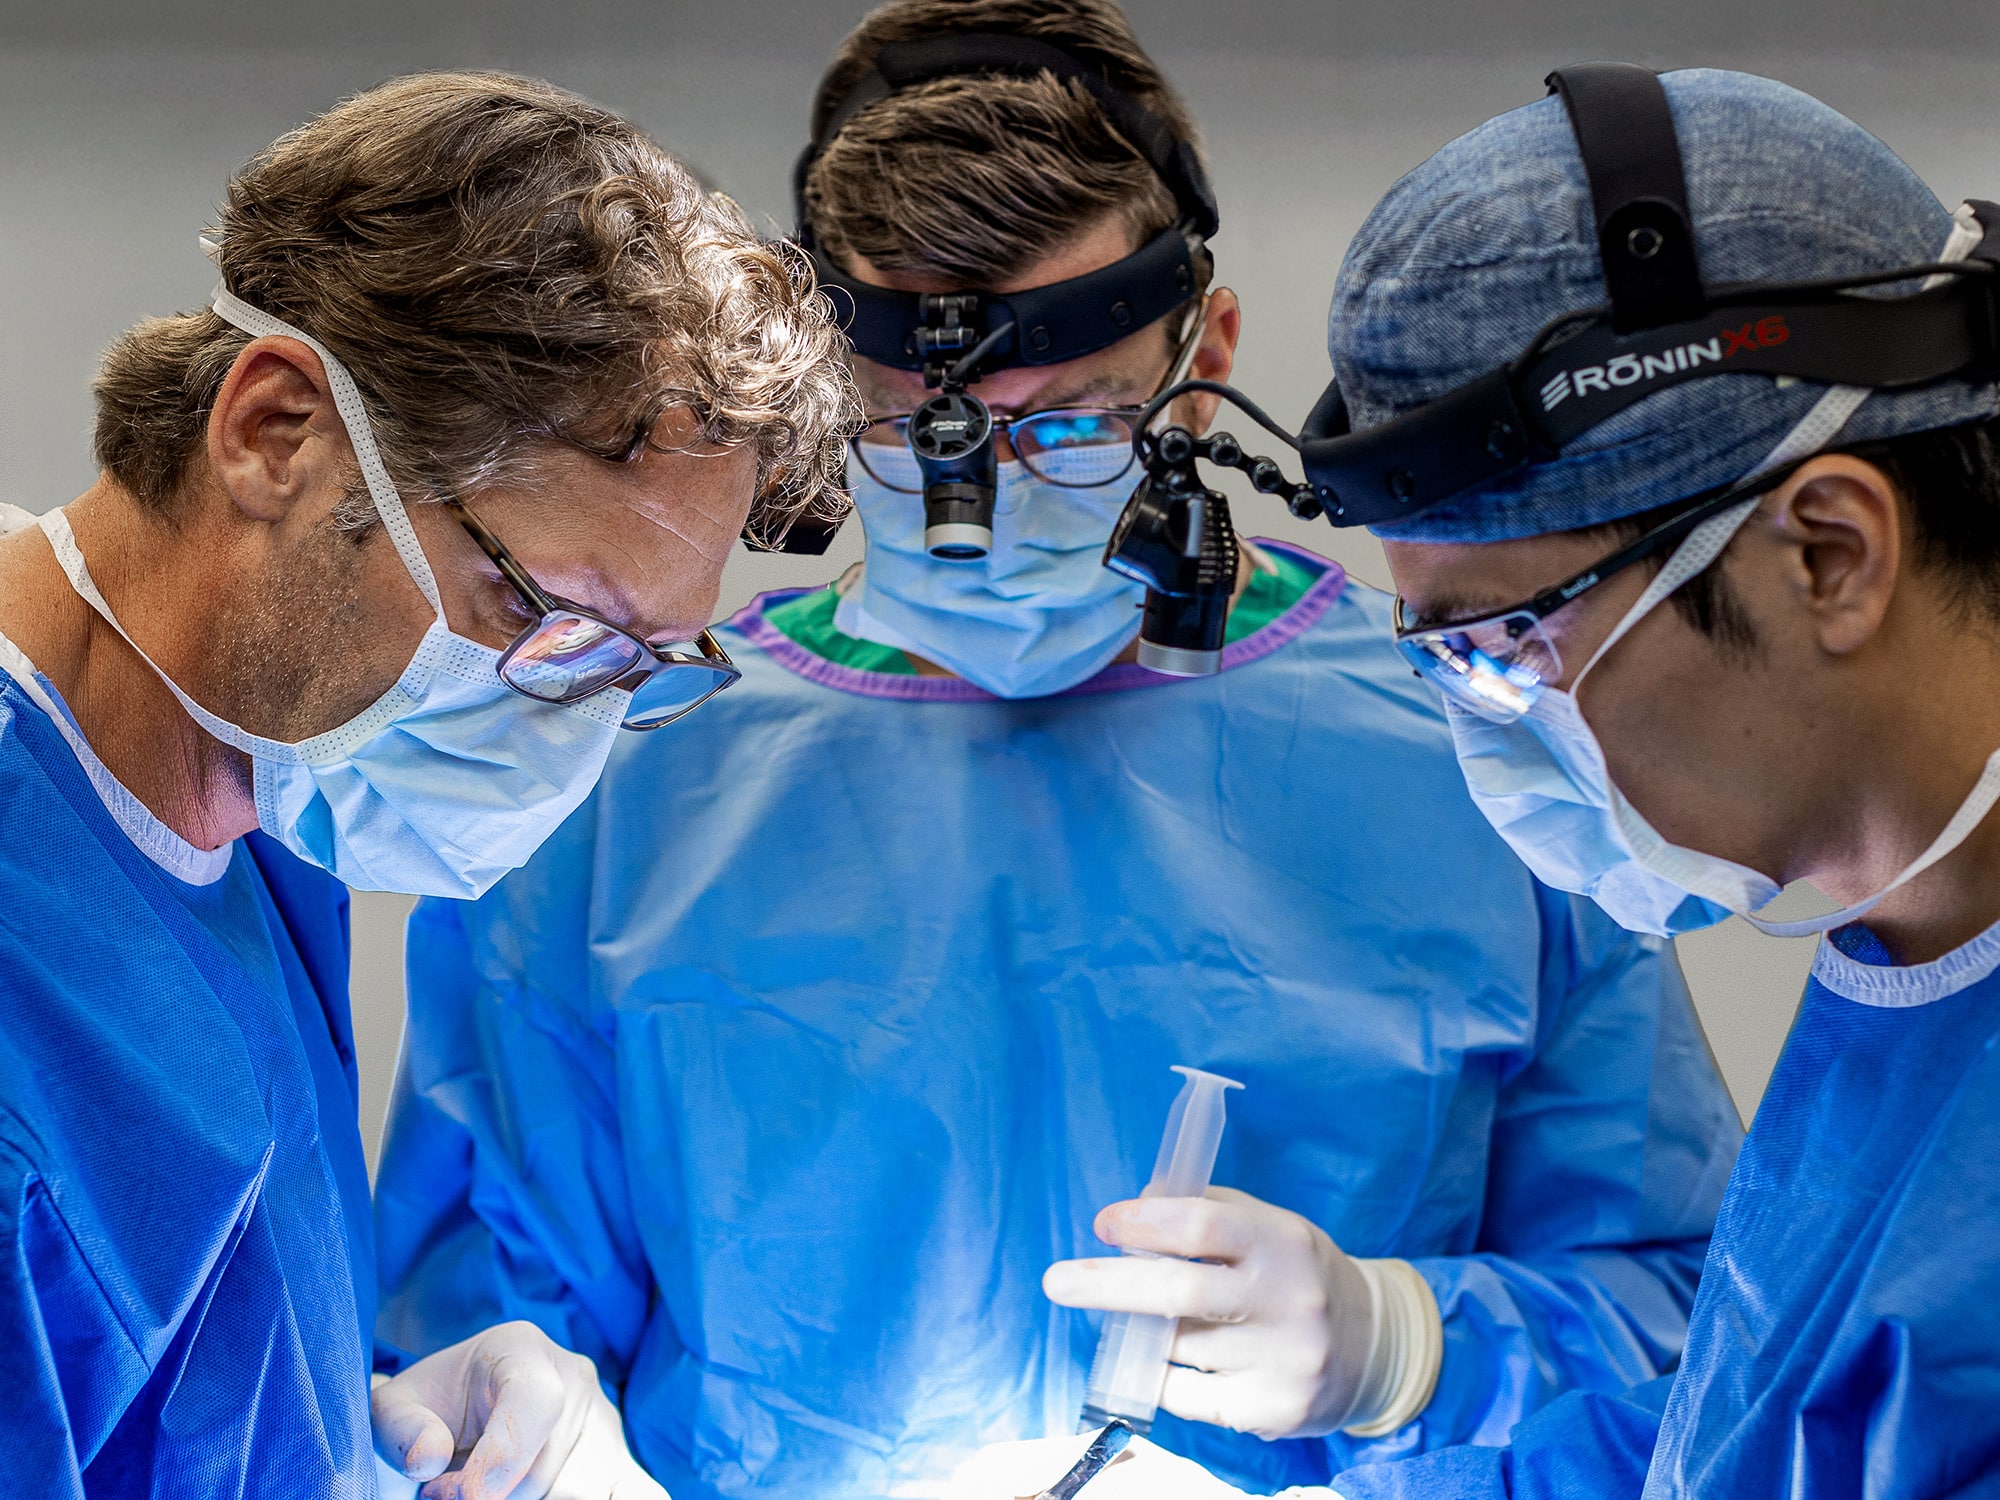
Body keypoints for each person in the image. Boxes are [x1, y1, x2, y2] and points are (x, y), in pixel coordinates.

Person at [372, 10, 1742, 1498]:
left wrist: (1403, 1343)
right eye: (912, 438)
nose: (988, 498)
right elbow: (482, 1352)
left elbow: (1695, 1329)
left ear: (1204, 353)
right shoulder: (618, 780)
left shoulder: (1478, 726)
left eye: (1076, 427)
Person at [952, 63, 2000, 1500]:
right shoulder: (1904, 959)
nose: (1486, 728)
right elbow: (1751, 1439)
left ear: (1828, 553)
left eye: (1509, 644)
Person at [0, 71, 852, 1498]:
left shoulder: (242, 806)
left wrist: (360, 1424)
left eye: (637, 660)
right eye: (548, 614)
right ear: (277, 433)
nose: (567, 718)